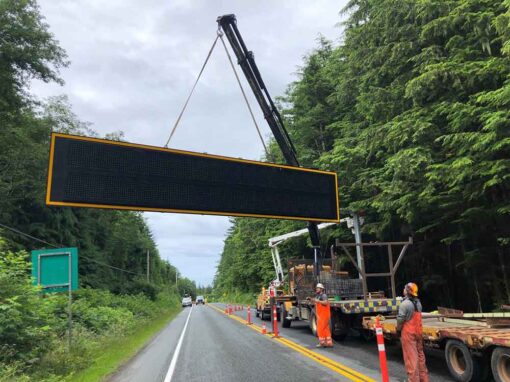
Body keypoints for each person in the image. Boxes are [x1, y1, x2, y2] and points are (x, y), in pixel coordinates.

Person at [396, 282, 429, 382]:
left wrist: (398, 330)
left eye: (404, 288)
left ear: (407, 291)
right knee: (420, 357)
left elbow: (401, 319)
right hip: (418, 332)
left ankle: (413, 380)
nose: (403, 289)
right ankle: (424, 379)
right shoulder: (418, 303)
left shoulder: (404, 304)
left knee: (411, 359)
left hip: (409, 334)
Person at [314, 283, 333, 348]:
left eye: (318, 288)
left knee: (320, 329)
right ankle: (329, 342)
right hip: (321, 315)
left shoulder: (323, 295)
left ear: (321, 289)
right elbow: (317, 302)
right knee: (326, 328)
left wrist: (318, 301)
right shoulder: (318, 296)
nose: (316, 289)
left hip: (324, 315)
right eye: (316, 288)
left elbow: (325, 302)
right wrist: (311, 299)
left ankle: (322, 343)